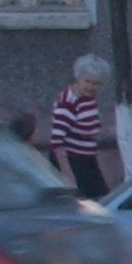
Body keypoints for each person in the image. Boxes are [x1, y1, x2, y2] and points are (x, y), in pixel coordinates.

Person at [44, 57, 115, 197]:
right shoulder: (68, 102)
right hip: (72, 162)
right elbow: (57, 142)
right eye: (87, 81)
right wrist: (68, 175)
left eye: (96, 84)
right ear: (78, 78)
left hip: (86, 160)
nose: (90, 87)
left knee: (102, 200)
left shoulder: (87, 97)